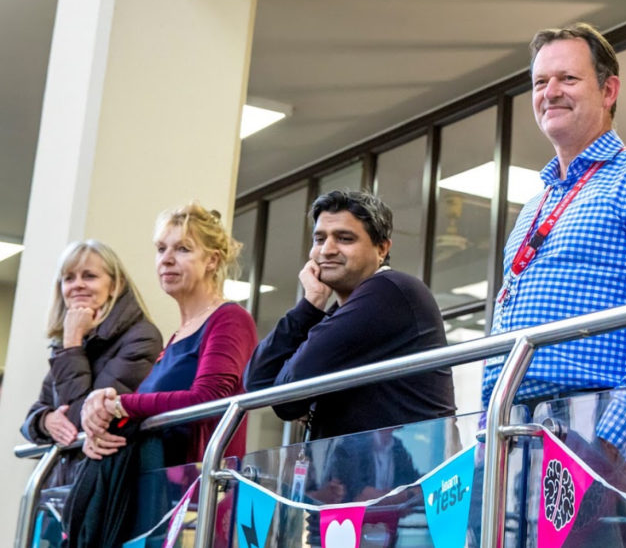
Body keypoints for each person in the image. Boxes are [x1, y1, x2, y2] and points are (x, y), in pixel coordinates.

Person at [480, 23, 626, 466]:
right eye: (540, 82)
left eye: (568, 78)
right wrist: (487, 431)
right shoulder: (533, 207)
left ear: (608, 90)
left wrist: (613, 439)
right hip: (512, 433)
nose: (551, 91)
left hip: (593, 426)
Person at [244, 190, 455, 441]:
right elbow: (257, 384)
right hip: (356, 474)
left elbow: (286, 399)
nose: (327, 250)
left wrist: (295, 394)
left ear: (382, 248)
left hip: (407, 474)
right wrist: (310, 304)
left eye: (344, 238)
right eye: (319, 239)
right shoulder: (341, 312)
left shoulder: (390, 292)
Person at [80, 202, 259, 464]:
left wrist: (119, 405)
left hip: (201, 491)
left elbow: (209, 399)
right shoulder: (178, 336)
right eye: (161, 249)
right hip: (160, 481)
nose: (166, 259)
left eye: (183, 249)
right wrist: (99, 418)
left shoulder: (230, 319)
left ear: (212, 260)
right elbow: (147, 405)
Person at [21, 240, 162, 484]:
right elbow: (31, 417)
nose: (77, 285)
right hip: (59, 487)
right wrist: (45, 421)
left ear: (114, 286)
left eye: (89, 276)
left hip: (102, 483)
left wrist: (72, 342)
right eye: (68, 278)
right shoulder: (70, 343)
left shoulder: (141, 337)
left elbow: (83, 421)